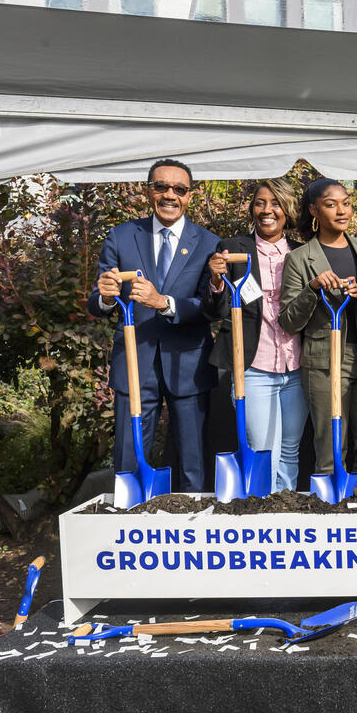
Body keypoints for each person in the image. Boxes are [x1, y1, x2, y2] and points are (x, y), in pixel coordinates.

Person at [89, 158, 219, 493]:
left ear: (190, 196)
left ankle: (193, 529)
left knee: (193, 462)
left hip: (188, 363)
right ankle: (131, 526)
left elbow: (210, 306)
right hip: (135, 361)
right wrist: (105, 296)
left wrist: (164, 302)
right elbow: (98, 302)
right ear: (149, 191)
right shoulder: (122, 236)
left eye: (179, 189)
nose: (170, 195)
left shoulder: (208, 243)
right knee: (129, 457)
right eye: (161, 186)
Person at [279, 178, 357, 485]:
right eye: (330, 204)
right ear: (314, 210)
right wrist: (312, 288)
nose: (342, 211)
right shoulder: (299, 259)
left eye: (346, 203)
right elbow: (288, 321)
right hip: (324, 362)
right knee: (330, 450)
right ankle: (330, 514)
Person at [204, 179, 307, 492]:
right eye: (260, 202)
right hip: (253, 365)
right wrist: (216, 279)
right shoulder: (234, 249)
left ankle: (285, 507)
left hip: (297, 367)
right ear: (252, 208)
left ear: (286, 210)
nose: (267, 210)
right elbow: (215, 310)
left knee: (290, 449)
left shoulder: (301, 253)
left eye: (275, 203)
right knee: (263, 449)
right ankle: (264, 510)